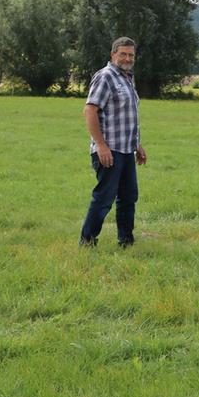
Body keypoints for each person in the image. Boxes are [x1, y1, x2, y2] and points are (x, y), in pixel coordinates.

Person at [79, 37, 147, 248]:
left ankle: (126, 241)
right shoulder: (106, 77)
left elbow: (127, 115)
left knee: (128, 197)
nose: (127, 58)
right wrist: (101, 145)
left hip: (126, 150)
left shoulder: (127, 77)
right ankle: (87, 241)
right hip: (109, 151)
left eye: (131, 55)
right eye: (123, 54)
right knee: (103, 199)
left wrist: (137, 144)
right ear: (113, 55)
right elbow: (90, 110)